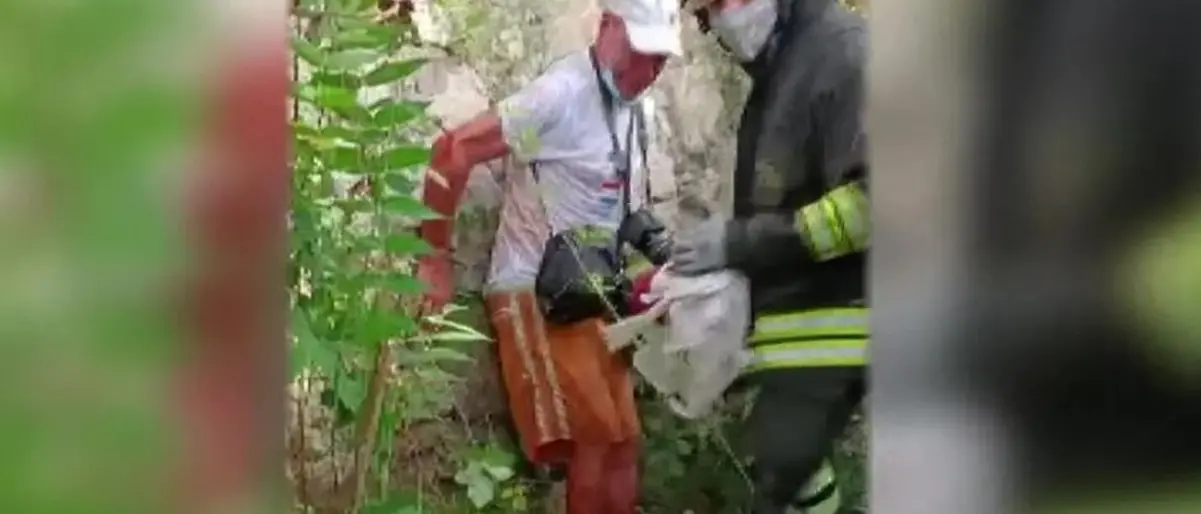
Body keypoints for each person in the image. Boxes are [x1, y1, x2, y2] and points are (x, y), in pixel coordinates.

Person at [413, 0, 681, 512]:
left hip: (592, 292)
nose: (651, 72)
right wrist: (433, 257)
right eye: (643, 52)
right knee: (597, 442)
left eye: (662, 59)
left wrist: (669, 264)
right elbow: (455, 149)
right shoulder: (560, 96)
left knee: (625, 444)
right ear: (607, 27)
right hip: (536, 287)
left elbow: (627, 208)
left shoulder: (634, 110)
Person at [671, 0, 868, 513]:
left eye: (723, 2)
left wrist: (737, 244)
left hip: (838, 320)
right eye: (707, 11)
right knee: (792, 481)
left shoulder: (841, 53)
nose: (719, 21)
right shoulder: (781, 65)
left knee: (784, 484)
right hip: (801, 326)